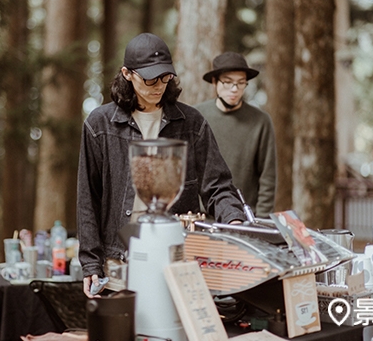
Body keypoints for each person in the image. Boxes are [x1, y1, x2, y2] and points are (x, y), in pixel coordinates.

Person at [77, 33, 246, 298]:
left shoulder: (191, 123)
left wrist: (235, 220)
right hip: (118, 263)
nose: (159, 86)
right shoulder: (100, 125)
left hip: (176, 260)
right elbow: (88, 199)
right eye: (150, 79)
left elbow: (218, 187)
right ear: (127, 74)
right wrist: (90, 263)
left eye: (165, 77)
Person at [195, 52, 277, 218]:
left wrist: (261, 219)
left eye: (241, 83)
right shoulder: (197, 116)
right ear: (214, 82)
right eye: (227, 82)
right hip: (203, 217)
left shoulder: (260, 121)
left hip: (246, 216)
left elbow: (267, 176)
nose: (234, 89)